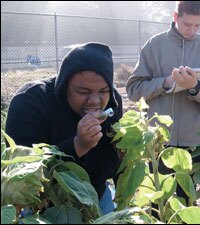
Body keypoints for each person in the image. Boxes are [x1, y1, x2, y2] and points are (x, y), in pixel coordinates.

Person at [126, 1, 200, 206]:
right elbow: (133, 90)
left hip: (195, 141)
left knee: (186, 201)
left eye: (198, 25)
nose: (192, 30)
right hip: (159, 139)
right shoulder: (154, 45)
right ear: (175, 16)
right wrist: (165, 82)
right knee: (158, 202)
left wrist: (195, 87)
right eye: (187, 24)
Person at [5, 42, 123, 215]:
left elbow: (119, 157)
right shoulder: (31, 101)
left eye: (103, 91)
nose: (95, 101)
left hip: (98, 195)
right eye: (83, 92)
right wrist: (77, 146)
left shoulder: (112, 101)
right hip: (46, 207)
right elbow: (21, 175)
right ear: (64, 84)